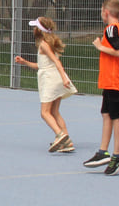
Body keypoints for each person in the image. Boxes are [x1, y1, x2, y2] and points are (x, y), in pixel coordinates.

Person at [83, 0, 119, 175]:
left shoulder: (112, 29)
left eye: (101, 11)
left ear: (106, 12)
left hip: (116, 80)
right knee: (106, 114)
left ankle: (117, 154)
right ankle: (102, 152)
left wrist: (100, 47)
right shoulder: (115, 30)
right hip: (111, 80)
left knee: (116, 117)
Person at [13, 16, 77, 153]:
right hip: (54, 78)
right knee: (54, 112)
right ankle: (68, 142)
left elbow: (56, 62)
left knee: (45, 113)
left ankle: (61, 135)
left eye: (35, 27)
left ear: (40, 30)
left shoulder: (43, 44)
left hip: (51, 80)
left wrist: (64, 78)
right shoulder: (47, 43)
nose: (33, 29)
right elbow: (41, 66)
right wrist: (24, 62)